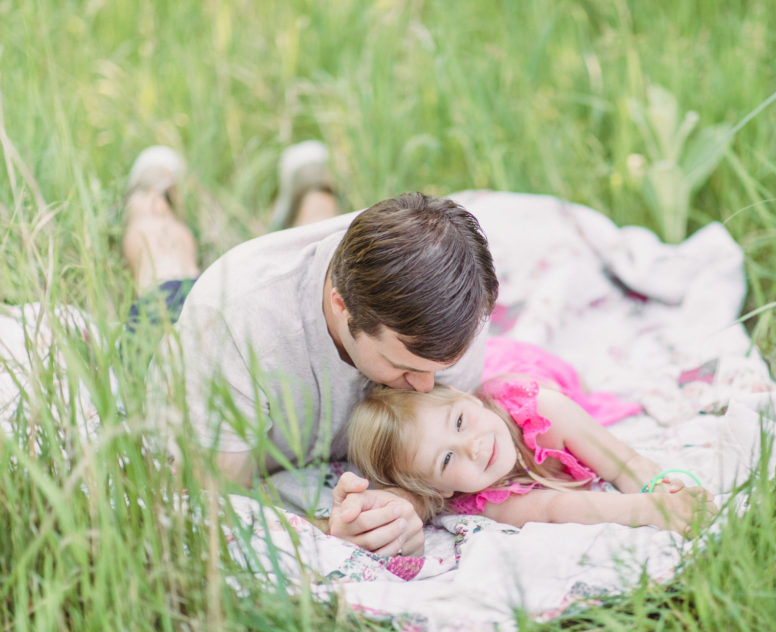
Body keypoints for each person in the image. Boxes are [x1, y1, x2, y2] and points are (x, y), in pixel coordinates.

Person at [122, 142, 499, 558]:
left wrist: (402, 509)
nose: (427, 387)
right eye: (402, 367)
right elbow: (212, 502)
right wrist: (327, 532)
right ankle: (150, 195)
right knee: (166, 267)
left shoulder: (452, 307)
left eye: (440, 368)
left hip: (305, 285)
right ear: (341, 306)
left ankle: (313, 190)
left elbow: (435, 473)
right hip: (192, 330)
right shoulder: (232, 326)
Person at [347, 338, 717, 534]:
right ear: (442, 490)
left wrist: (661, 491)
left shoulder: (542, 409)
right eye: (447, 459)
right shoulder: (479, 498)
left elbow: (626, 463)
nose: (472, 446)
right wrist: (648, 512)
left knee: (581, 404)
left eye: (460, 421)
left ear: (465, 397)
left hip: (521, 365)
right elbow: (554, 509)